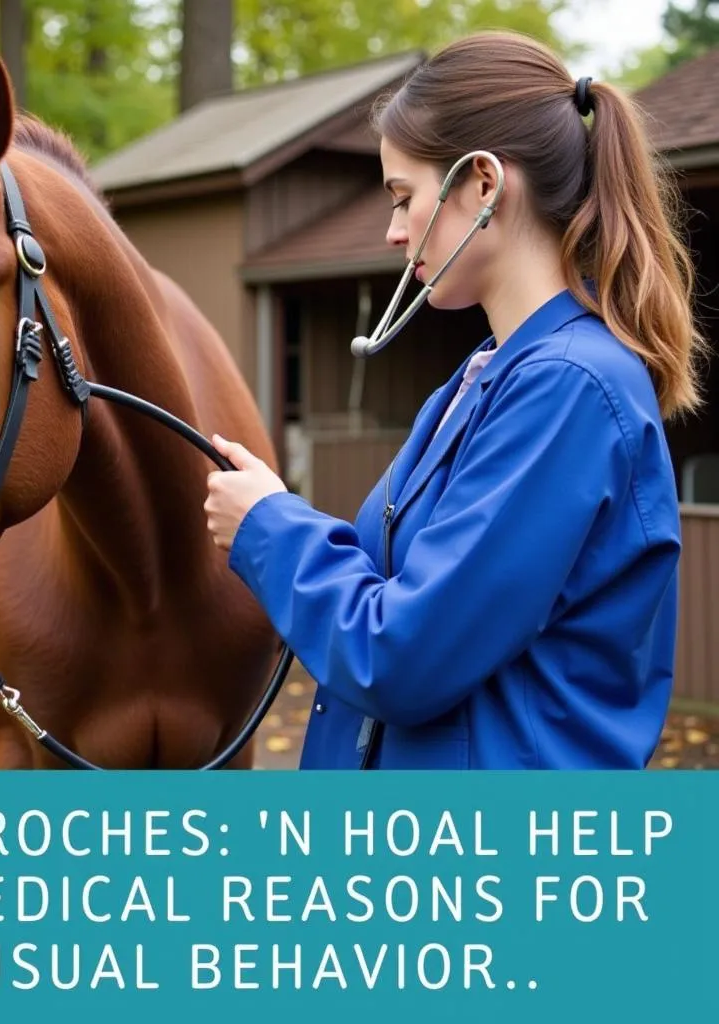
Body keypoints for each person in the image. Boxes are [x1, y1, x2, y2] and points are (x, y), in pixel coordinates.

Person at [202, 30, 707, 770]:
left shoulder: (567, 389)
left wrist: (269, 529)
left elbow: (402, 657)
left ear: (483, 185)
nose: (394, 230)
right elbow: (397, 595)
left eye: (405, 198)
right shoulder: (484, 377)